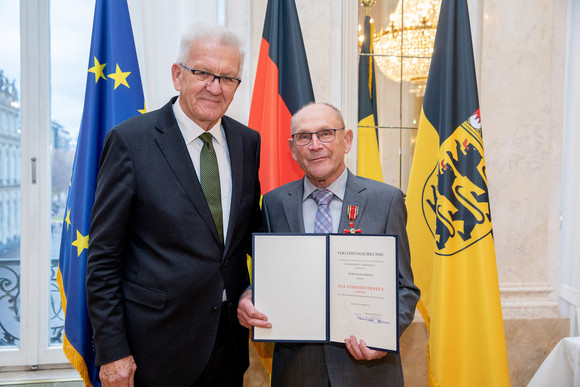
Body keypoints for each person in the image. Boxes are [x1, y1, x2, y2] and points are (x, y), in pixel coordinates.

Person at [86, 22, 262, 387]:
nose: (215, 87)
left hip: (228, 345)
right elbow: (103, 258)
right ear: (177, 74)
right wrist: (112, 351)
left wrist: (255, 289)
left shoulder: (248, 142)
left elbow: (248, 235)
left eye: (228, 78)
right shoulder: (130, 142)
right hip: (154, 349)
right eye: (203, 73)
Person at [238, 102, 420, 386]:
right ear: (292, 148)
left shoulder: (386, 201)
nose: (315, 145)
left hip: (368, 371)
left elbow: (405, 287)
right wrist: (249, 296)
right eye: (303, 137)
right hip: (297, 371)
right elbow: (270, 275)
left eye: (325, 133)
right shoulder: (274, 204)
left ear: (346, 141)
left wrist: (384, 336)